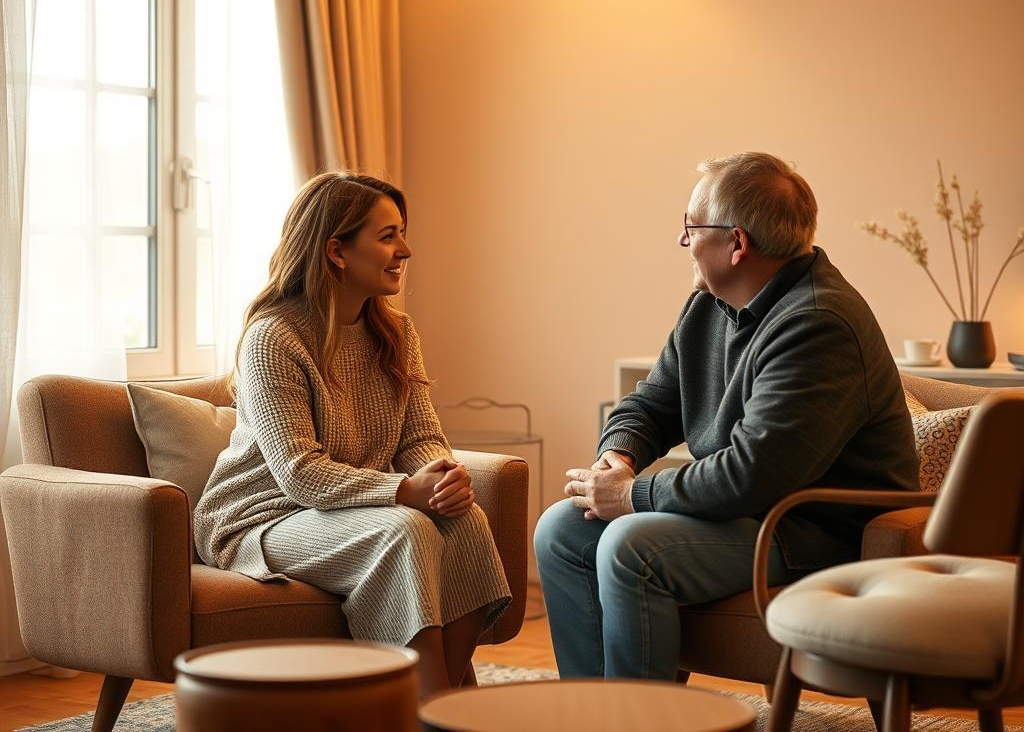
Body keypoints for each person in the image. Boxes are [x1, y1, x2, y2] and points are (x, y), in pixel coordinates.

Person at [534, 152, 918, 681]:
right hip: (742, 516)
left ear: (737, 244)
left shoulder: (817, 322)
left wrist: (629, 496)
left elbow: (751, 475)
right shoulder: (708, 306)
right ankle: (598, 712)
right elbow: (650, 403)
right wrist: (614, 460)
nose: (682, 241)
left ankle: (645, 722)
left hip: (812, 530)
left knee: (631, 544)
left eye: (690, 227)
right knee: (562, 528)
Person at [193, 172, 511, 698]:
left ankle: (431, 707)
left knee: (467, 521)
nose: (404, 250)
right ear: (337, 251)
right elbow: (298, 473)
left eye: (402, 233)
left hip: (343, 510)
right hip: (261, 518)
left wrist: (441, 474)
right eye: (388, 236)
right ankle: (431, 712)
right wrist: (404, 492)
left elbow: (419, 437)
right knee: (404, 529)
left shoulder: (396, 332)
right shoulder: (273, 338)